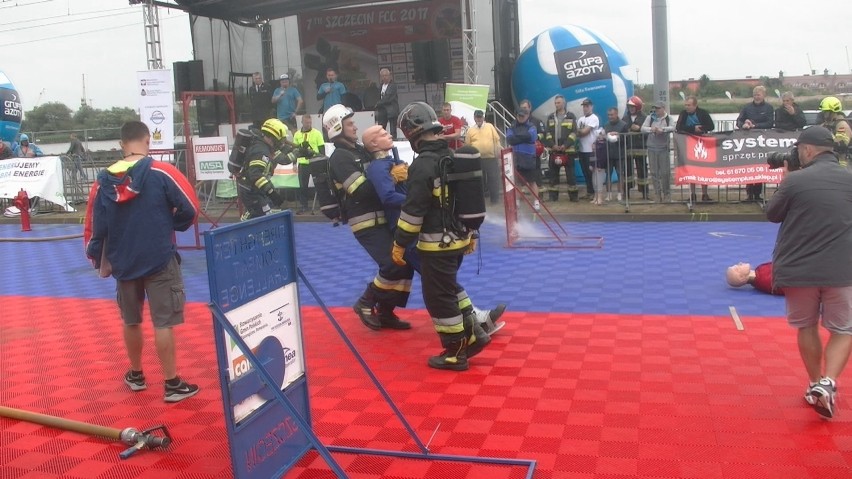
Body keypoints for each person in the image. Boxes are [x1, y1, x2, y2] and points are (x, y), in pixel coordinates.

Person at [83, 120, 200, 403]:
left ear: (122, 144)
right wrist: (168, 224)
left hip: (123, 261)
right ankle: (171, 383)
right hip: (159, 257)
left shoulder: (102, 181)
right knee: (163, 323)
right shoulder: (163, 172)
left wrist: (99, 257)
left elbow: (94, 227)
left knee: (131, 320)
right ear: (148, 140)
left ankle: (136, 374)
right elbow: (191, 208)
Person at [362, 125, 507, 335]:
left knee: (444, 282)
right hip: (409, 231)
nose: (389, 134)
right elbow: (389, 197)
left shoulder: (393, 161)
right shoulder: (378, 167)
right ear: (373, 143)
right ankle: (473, 323)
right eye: (383, 134)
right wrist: (423, 199)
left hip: (418, 228)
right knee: (442, 283)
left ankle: (475, 320)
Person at [393, 102, 493, 370]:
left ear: (412, 134)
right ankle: (474, 334)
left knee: (438, 297)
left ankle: (455, 352)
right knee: (449, 289)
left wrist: (400, 243)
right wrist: (471, 234)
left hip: (436, 246)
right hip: (459, 240)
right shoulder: (449, 157)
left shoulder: (423, 165)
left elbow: (414, 212)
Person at [765, 125, 852, 419]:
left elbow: (772, 214)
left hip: (800, 268)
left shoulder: (795, 180)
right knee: (844, 329)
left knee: (807, 326)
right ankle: (828, 383)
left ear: (808, 150)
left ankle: (816, 383)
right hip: (843, 268)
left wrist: (786, 178)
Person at [316, 104, 412, 331]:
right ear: (337, 128)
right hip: (366, 222)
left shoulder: (358, 151)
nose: (354, 127)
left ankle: (386, 313)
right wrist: (391, 178)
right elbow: (359, 190)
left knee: (404, 263)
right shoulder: (340, 157)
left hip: (382, 218)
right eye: (349, 124)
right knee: (391, 263)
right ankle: (366, 301)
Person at [235, 118, 306, 220]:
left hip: (255, 189)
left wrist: (299, 150)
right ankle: (241, 231)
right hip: (250, 190)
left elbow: (282, 153)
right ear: (273, 138)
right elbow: (255, 175)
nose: (282, 142)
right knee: (261, 214)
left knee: (261, 214)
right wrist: (271, 192)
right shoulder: (261, 151)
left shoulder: (266, 146)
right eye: (280, 139)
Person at [736, 85, 774, 201]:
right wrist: (743, 125)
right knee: (749, 166)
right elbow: (739, 120)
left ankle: (758, 194)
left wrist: (755, 126)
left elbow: (770, 123)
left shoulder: (769, 108)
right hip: (748, 141)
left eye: (759, 94)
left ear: (764, 95)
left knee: (760, 166)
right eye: (755, 95)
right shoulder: (747, 107)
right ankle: (749, 193)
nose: (756, 97)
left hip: (762, 141)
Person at [675, 96, 715, 202]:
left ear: (695, 105)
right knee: (691, 169)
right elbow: (678, 127)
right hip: (688, 144)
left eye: (689, 105)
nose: (687, 107)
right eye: (686, 105)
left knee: (704, 169)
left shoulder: (703, 113)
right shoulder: (683, 114)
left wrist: (700, 128)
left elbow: (711, 126)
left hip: (702, 144)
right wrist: (693, 128)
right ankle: (692, 194)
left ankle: (705, 194)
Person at [542, 95, 578, 202]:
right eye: (556, 103)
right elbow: (547, 133)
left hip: (568, 151)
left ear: (564, 103)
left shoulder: (571, 116)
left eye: (558, 103)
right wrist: (552, 145)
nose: (556, 105)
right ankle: (553, 197)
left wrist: (565, 145)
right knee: (553, 176)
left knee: (570, 176)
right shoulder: (551, 117)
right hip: (554, 151)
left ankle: (573, 197)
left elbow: (574, 133)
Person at [465, 109, 503, 205]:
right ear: (474, 118)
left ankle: (494, 200)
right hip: (477, 159)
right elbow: (468, 145)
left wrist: (497, 154)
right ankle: (480, 201)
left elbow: (496, 140)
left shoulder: (490, 126)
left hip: (491, 158)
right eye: (477, 117)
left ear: (483, 117)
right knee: (479, 180)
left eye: (480, 117)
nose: (478, 119)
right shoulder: (470, 130)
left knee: (493, 179)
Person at [506, 105, 539, 210]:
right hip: (516, 158)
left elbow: (531, 137)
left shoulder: (532, 126)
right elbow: (510, 140)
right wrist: (523, 137)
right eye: (519, 116)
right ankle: (517, 202)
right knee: (517, 182)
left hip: (529, 158)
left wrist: (517, 137)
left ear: (527, 115)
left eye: (523, 116)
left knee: (532, 181)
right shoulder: (512, 126)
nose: (520, 118)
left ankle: (536, 202)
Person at [641, 102, 675, 203]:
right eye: (655, 108)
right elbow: (643, 128)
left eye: (658, 108)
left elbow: (673, 127)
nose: (656, 110)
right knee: (654, 172)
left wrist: (663, 129)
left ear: (663, 108)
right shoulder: (650, 117)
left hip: (663, 148)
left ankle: (667, 194)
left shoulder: (669, 118)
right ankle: (657, 194)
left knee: (665, 173)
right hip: (651, 147)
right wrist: (651, 129)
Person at [292, 114, 325, 215]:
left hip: (315, 162)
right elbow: (294, 150)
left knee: (319, 184)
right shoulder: (297, 134)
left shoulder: (317, 133)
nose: (309, 124)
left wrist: (322, 161)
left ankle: (323, 205)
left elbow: (322, 150)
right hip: (303, 163)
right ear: (302, 122)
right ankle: (304, 206)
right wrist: (294, 163)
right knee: (303, 186)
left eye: (310, 122)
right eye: (307, 123)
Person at [623, 96, 650, 199]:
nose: (631, 108)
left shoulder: (645, 118)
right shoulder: (625, 118)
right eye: (629, 106)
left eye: (633, 106)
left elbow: (648, 132)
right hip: (628, 148)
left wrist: (639, 129)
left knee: (642, 171)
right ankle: (627, 192)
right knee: (627, 171)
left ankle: (645, 193)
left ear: (638, 106)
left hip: (640, 148)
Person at [601, 107, 628, 202]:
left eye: (612, 115)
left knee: (620, 174)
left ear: (616, 114)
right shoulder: (606, 125)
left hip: (620, 154)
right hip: (608, 154)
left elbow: (627, 139)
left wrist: (618, 136)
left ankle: (620, 194)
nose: (610, 117)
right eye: (608, 115)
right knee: (608, 174)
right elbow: (603, 137)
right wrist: (604, 136)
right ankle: (609, 194)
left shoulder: (623, 125)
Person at [817, 96, 851, 167]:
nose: (824, 114)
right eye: (823, 111)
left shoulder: (842, 125)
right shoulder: (824, 125)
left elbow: (840, 146)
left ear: (834, 111)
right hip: (828, 164)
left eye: (826, 111)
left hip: (842, 165)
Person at [576, 99, 600, 199]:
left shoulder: (594, 118)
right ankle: (589, 191)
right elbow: (577, 133)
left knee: (592, 172)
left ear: (591, 106)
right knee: (585, 172)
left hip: (591, 150)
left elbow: (584, 132)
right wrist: (578, 132)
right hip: (582, 149)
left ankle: (596, 192)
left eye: (587, 106)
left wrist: (579, 131)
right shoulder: (581, 119)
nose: (585, 108)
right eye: (584, 106)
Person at [374, 67, 399, 139]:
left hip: (391, 109)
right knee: (381, 128)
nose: (385, 77)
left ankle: (394, 142)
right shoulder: (380, 86)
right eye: (383, 76)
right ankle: (383, 141)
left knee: (393, 129)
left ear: (389, 76)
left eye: (386, 75)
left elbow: (388, 98)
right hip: (382, 110)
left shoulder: (393, 85)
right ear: (381, 77)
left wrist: (378, 103)